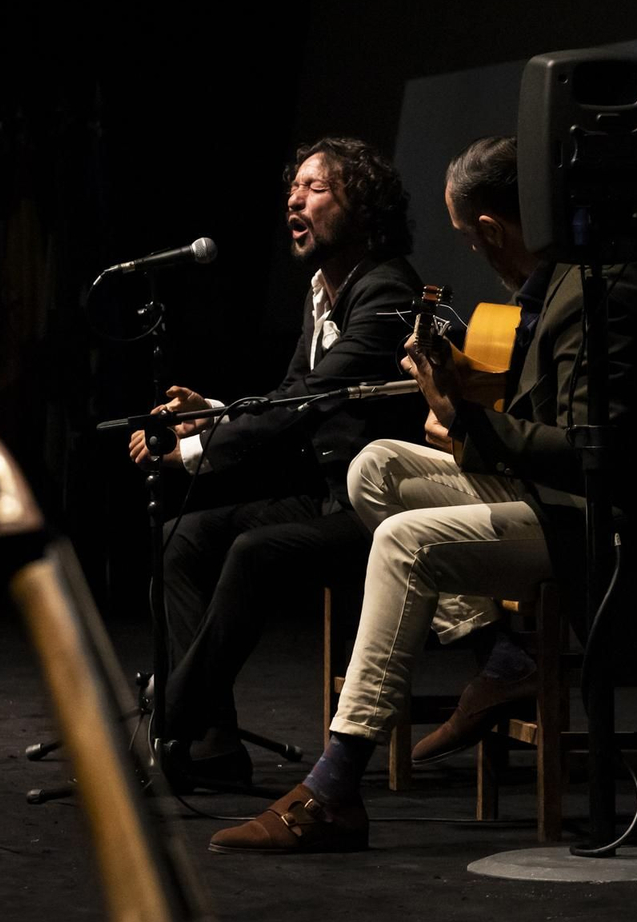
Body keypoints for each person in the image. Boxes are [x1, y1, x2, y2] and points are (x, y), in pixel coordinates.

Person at [208, 135, 637, 852]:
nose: (473, 256)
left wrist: (466, 420)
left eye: (469, 241)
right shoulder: (557, 289)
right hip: (564, 504)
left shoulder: (605, 294)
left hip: (620, 533)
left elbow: (587, 457)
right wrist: (465, 402)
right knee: (377, 466)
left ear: (491, 228)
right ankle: (502, 657)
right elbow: (549, 425)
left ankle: (334, 786)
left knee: (402, 540)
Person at [128, 137, 425, 788]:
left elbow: (311, 400)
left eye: (317, 188)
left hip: (382, 509)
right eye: (293, 186)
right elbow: (291, 394)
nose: (294, 197)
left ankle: (170, 718)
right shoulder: (322, 291)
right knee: (185, 542)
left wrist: (199, 448)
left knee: (254, 552)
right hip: (328, 495)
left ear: (365, 208)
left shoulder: (387, 293)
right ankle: (213, 745)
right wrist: (212, 411)